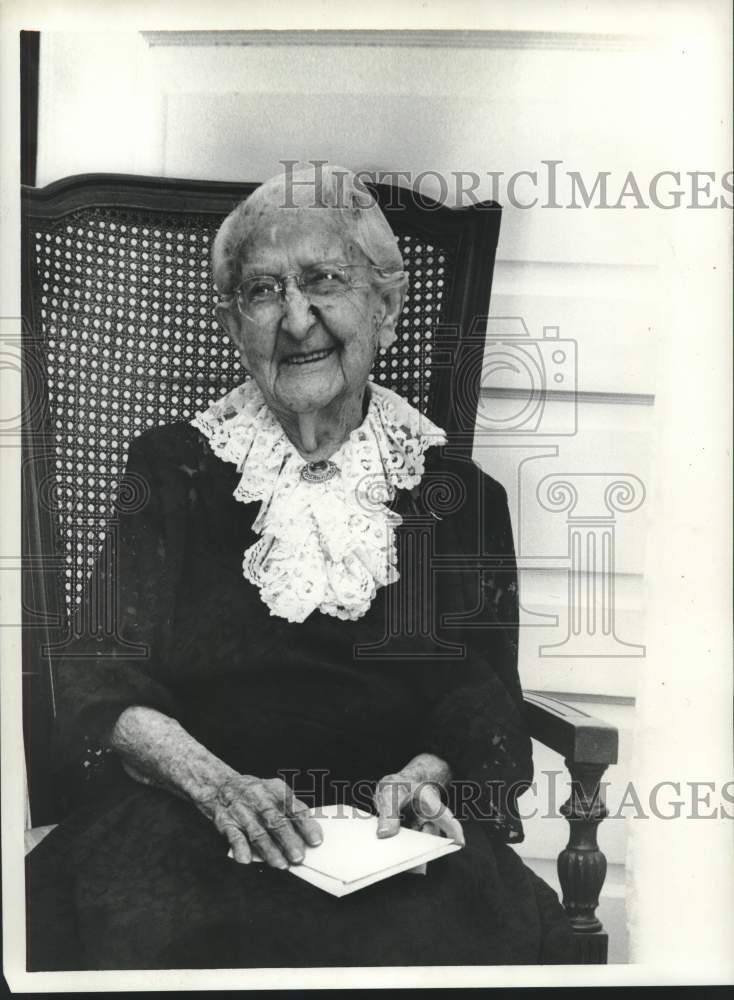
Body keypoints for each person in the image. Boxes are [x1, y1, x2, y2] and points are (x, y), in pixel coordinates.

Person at [25, 166, 575, 970]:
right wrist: (219, 788)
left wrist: (428, 774)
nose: (296, 317)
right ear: (235, 323)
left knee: (444, 941)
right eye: (263, 291)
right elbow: (96, 675)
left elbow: (482, 695)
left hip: (390, 835)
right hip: (194, 814)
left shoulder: (459, 495)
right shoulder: (172, 470)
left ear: (385, 308)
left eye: (324, 280)